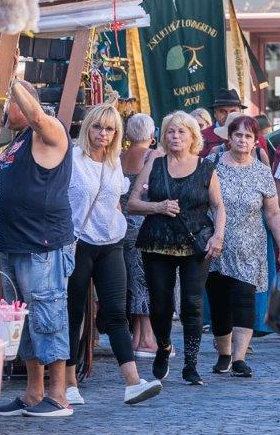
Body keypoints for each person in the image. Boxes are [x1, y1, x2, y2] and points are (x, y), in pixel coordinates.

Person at [63, 104, 162, 406]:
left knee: (118, 312)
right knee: (74, 313)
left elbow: (116, 199)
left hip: (111, 241)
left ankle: (132, 382)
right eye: (97, 127)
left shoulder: (113, 163)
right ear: (88, 128)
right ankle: (67, 384)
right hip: (78, 242)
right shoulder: (72, 159)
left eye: (109, 129)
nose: (103, 134)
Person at [0, 80, 77, 419]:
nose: (1, 111)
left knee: (48, 313)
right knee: (22, 319)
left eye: (6, 103)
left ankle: (58, 395)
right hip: (14, 242)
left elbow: (38, 117)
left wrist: (11, 79)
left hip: (42, 243)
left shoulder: (48, 131)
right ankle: (32, 392)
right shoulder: (15, 141)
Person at [128, 111, 225, 385]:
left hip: (195, 242)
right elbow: (132, 202)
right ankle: (164, 345)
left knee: (192, 305)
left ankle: (191, 364)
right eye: (171, 131)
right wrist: (157, 206)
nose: (175, 136)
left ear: (193, 137)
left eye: (182, 132)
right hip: (157, 241)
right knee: (160, 304)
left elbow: (218, 206)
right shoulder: (154, 164)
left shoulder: (206, 167)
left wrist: (218, 236)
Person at [206, 114, 280, 378]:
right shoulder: (212, 165)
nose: (242, 140)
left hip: (251, 245)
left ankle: (239, 358)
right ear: (229, 138)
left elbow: (273, 213)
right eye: (237, 135)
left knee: (244, 299)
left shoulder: (262, 172)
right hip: (217, 244)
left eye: (248, 136)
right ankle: (224, 354)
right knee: (219, 302)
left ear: (255, 141)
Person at [120, 113, 156, 357]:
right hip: (146, 225)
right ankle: (147, 337)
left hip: (121, 226)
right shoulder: (152, 157)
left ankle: (137, 336)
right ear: (152, 136)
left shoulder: (120, 156)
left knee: (133, 281)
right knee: (148, 281)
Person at [201, 88, 245, 157]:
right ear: (215, 113)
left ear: (240, 112)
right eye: (223, 111)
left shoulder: (253, 136)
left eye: (233, 111)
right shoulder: (202, 137)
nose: (228, 115)